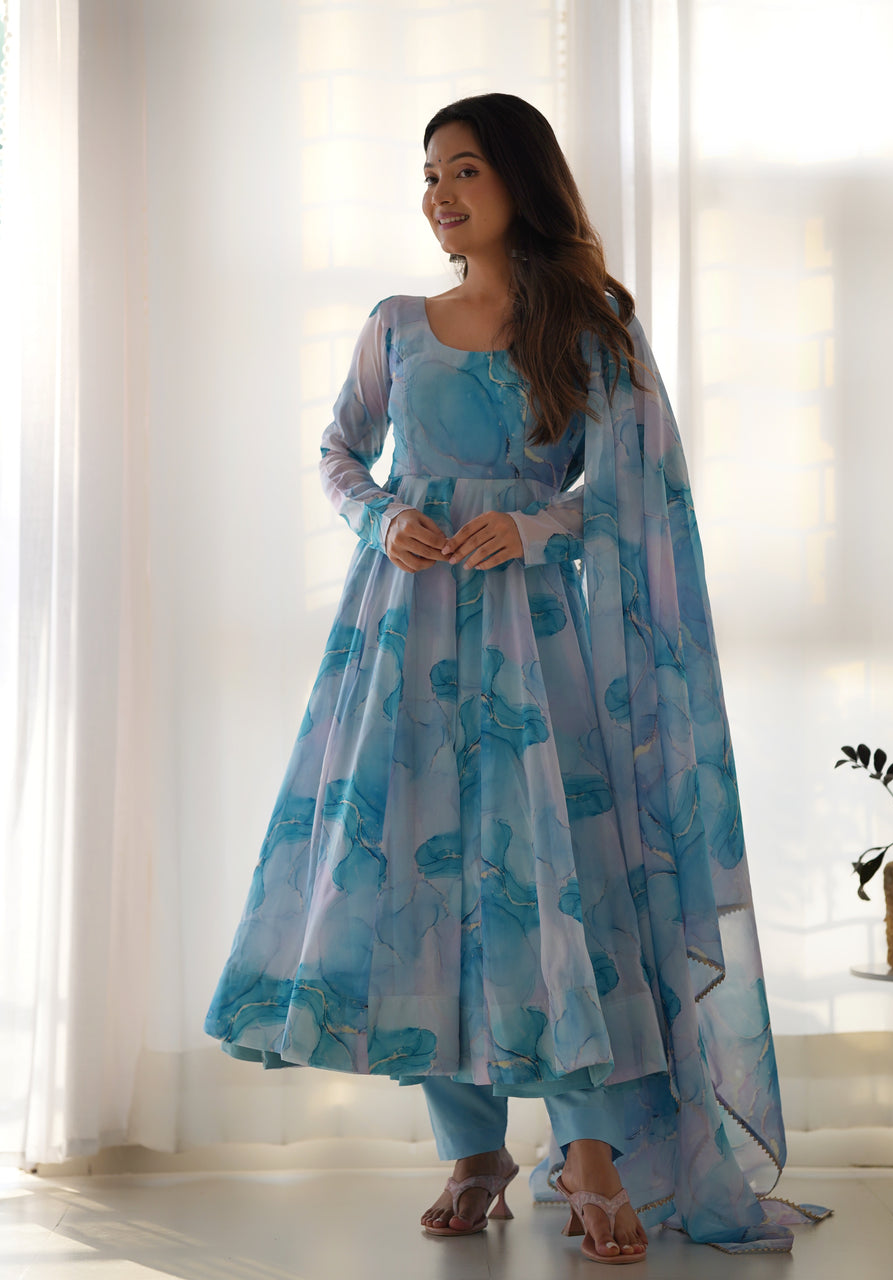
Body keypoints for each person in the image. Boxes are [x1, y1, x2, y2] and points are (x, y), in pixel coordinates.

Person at [205, 93, 826, 1262]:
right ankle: (473, 1146)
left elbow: (634, 492)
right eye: (428, 174)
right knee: (424, 891)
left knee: (555, 886)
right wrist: (381, 515)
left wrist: (537, 529)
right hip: (400, 644)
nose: (439, 194)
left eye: (465, 170)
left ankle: (589, 1150)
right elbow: (339, 450)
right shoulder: (397, 324)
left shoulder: (590, 329)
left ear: (521, 184)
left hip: (539, 654)